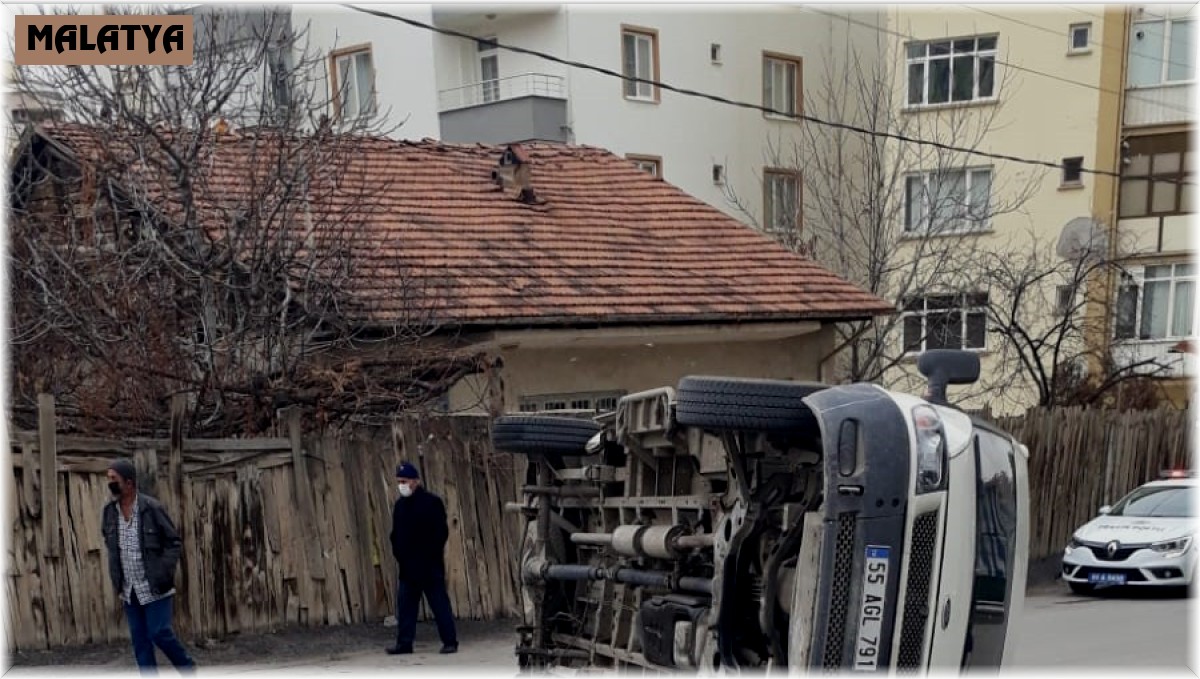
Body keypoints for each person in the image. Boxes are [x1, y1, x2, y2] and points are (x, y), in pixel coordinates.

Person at [101, 458, 197, 673]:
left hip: (154, 585)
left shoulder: (151, 508)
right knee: (140, 641)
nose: (110, 484)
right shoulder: (109, 512)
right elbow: (109, 543)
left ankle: (188, 669)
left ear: (129, 483)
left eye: (114, 479)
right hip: (129, 589)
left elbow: (174, 542)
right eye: (108, 479)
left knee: (159, 632)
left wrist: (163, 570)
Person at [387, 462, 458, 655]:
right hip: (408, 567)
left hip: (429, 566)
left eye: (405, 481)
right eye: (399, 481)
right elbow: (396, 535)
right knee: (406, 607)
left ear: (415, 481)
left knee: (439, 604)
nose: (401, 485)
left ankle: (450, 641)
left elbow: (440, 533)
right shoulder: (400, 506)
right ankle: (404, 643)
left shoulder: (431, 502)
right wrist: (399, 554)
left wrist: (430, 555)